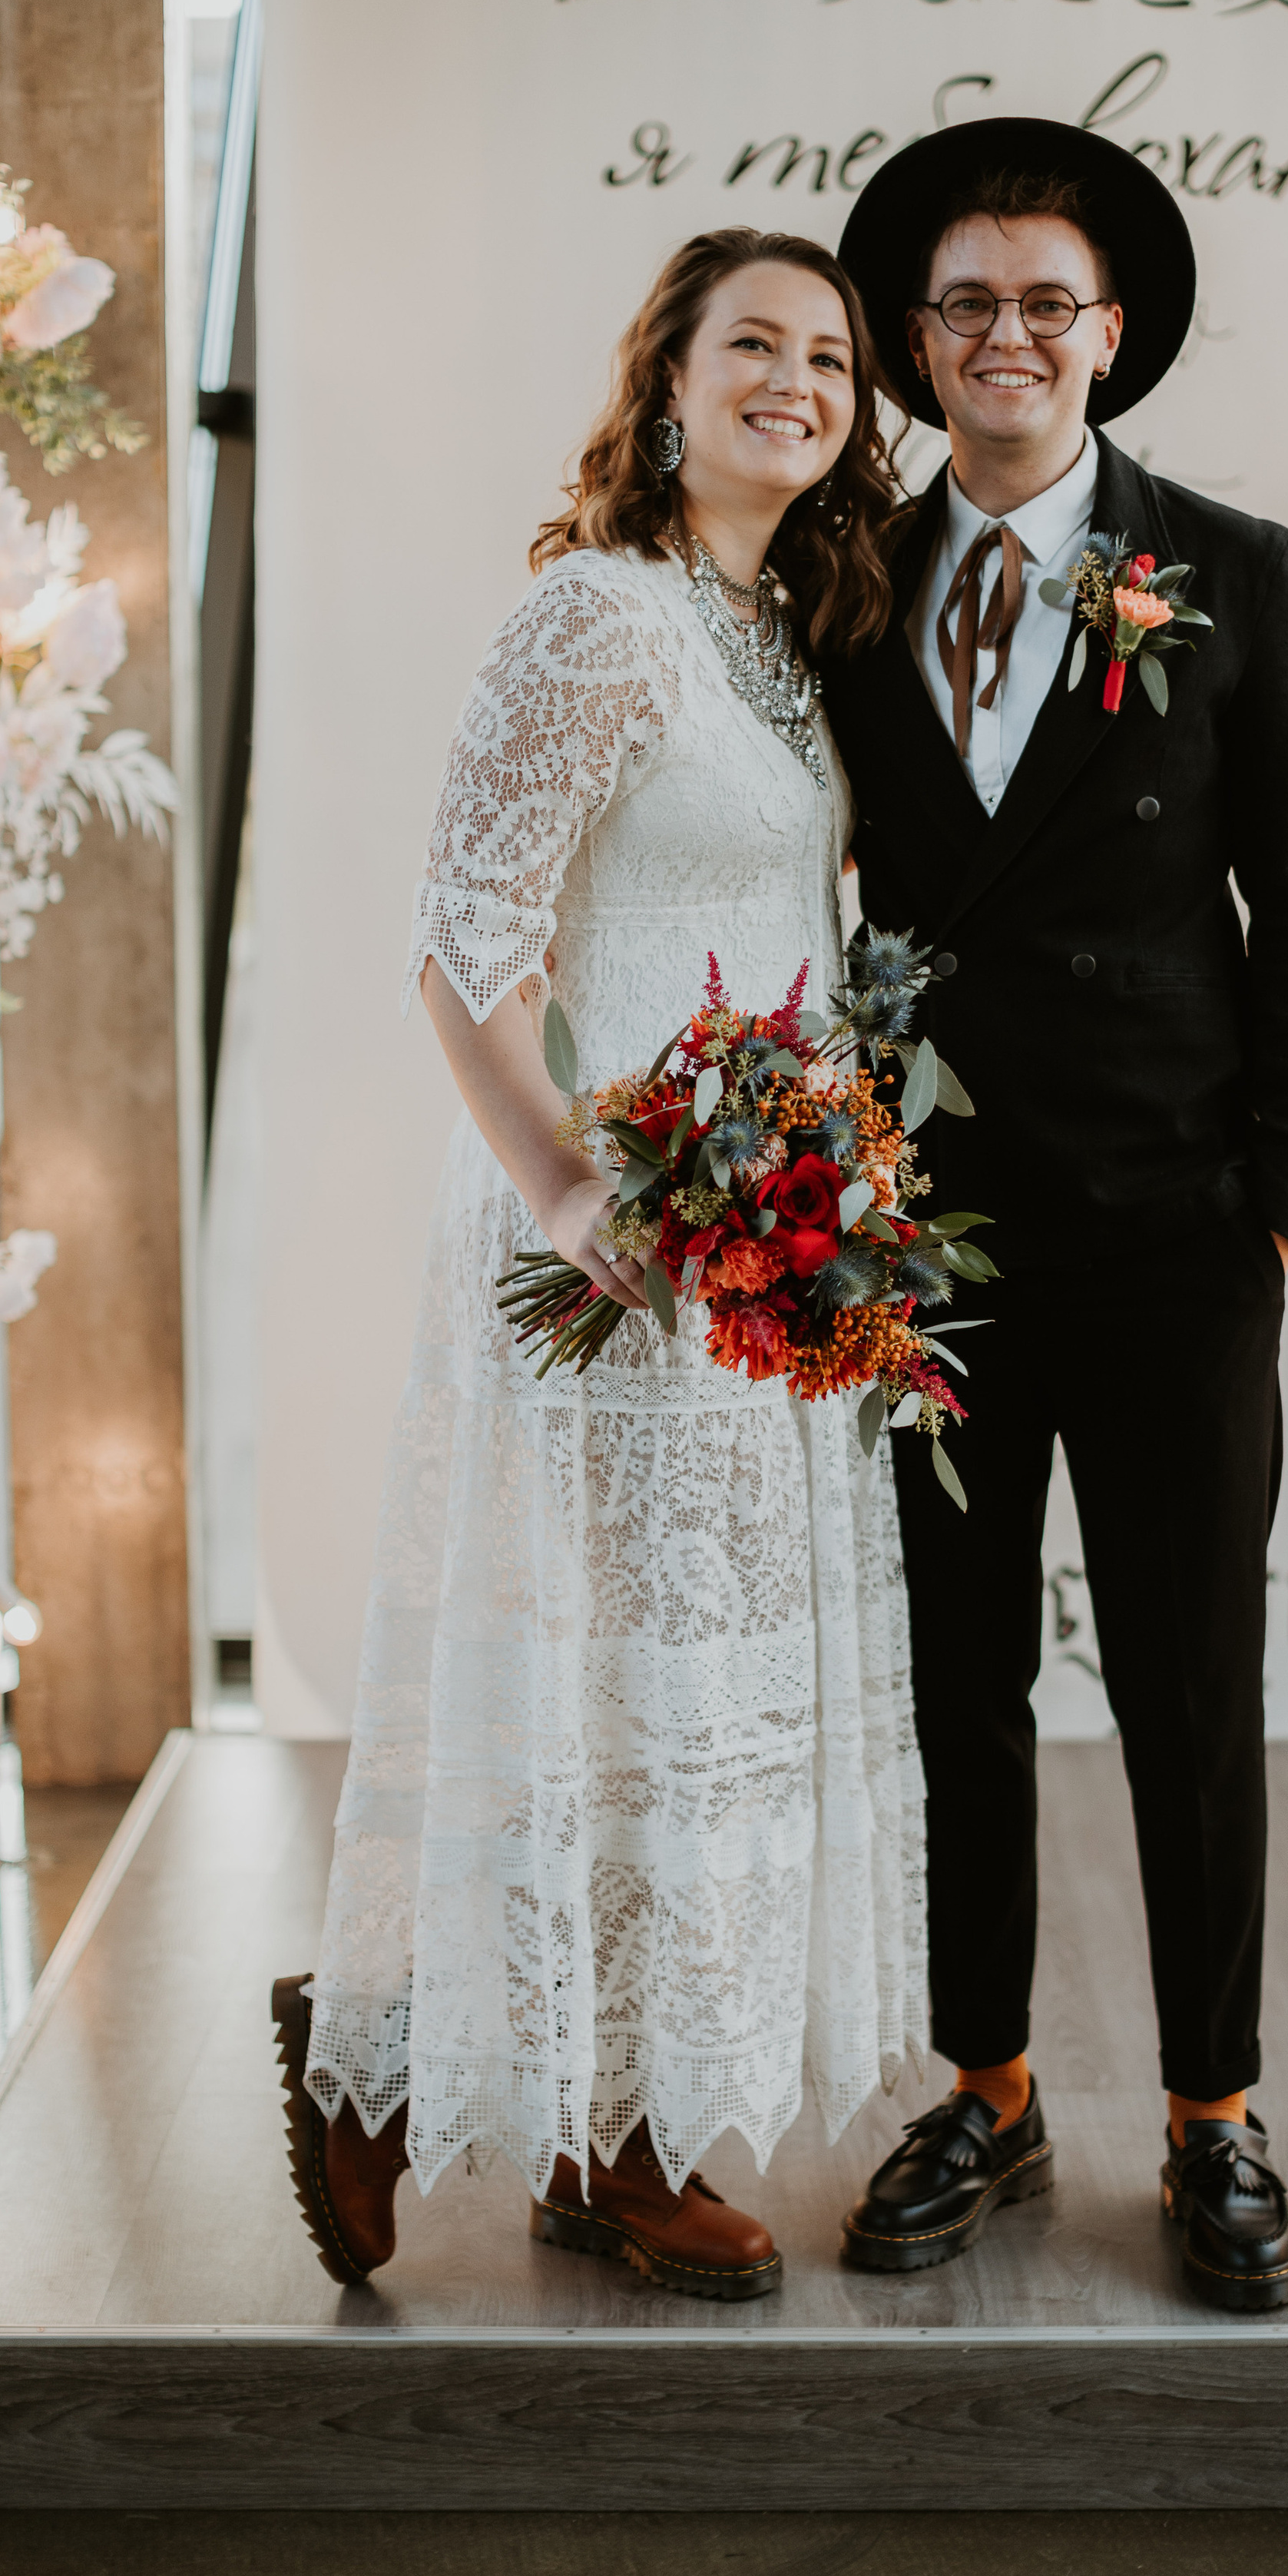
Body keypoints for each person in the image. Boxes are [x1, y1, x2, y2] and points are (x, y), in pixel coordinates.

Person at [273, 229, 926, 2300]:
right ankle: (450, 2089)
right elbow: (467, 942)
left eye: (830, 358)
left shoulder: (775, 642)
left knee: (680, 1702)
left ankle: (555, 2118)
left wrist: (823, 1197)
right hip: (612, 1254)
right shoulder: (597, 615)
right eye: (756, 344)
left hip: (759, 1258)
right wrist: (572, 1195)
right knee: (608, 1691)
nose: (798, 381)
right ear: (666, 381)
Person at [823, 120, 1288, 2312]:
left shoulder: (1233, 564)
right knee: (957, 1688)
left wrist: (1281, 1208)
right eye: (966, 302)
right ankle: (992, 2082)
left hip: (1168, 1238)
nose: (1008, 335)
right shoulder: (837, 580)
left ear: (1109, 336)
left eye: (1048, 301)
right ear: (914, 344)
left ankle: (1217, 2117)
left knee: (1185, 1687)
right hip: (920, 1243)